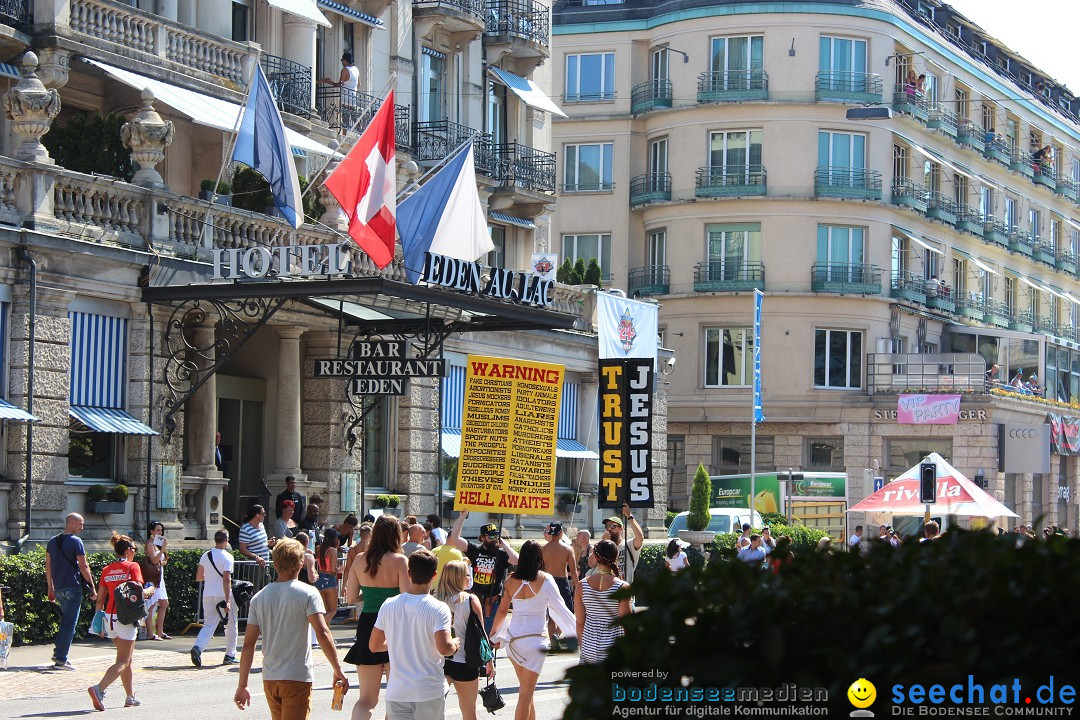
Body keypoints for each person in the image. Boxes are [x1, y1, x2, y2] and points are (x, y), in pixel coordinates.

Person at [234, 539, 350, 720]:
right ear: (301, 563)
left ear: (276, 563)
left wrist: (243, 685)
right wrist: (337, 669)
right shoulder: (308, 593)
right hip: (297, 675)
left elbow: (248, 645)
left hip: (270, 676)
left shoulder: (259, 597)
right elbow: (322, 633)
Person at [490, 540, 576, 720]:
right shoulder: (545, 579)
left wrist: (493, 634)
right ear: (539, 558)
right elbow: (560, 608)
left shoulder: (511, 580)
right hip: (536, 641)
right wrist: (577, 631)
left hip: (513, 642)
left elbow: (503, 610)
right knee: (525, 694)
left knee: (527, 692)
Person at [370, 550, 458, 720]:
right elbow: (444, 648)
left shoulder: (389, 604)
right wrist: (454, 644)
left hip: (397, 691)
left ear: (409, 574)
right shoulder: (439, 608)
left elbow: (374, 645)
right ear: (434, 575)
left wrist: (399, 642)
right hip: (428, 690)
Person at [343, 515, 409, 720]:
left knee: (366, 699)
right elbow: (406, 598)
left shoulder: (361, 559)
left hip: (368, 623)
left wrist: (371, 593)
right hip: (394, 624)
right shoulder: (400, 560)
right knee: (395, 696)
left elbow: (351, 597)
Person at [88, 534, 154, 711]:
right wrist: (151, 589)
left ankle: (130, 696)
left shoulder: (107, 569)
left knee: (125, 659)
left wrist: (98, 623)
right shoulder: (133, 566)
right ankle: (99, 689)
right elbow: (139, 591)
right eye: (133, 548)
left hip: (110, 617)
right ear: (127, 550)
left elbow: (100, 600)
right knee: (124, 660)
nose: (134, 551)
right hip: (126, 617)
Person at [436, 560, 493, 720]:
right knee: (469, 712)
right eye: (466, 574)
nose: (469, 577)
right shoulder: (470, 600)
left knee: (434, 709)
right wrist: (489, 661)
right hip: (465, 662)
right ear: (458, 577)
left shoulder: (435, 600)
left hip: (439, 661)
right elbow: (481, 634)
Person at [448, 510, 519, 634]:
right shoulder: (475, 550)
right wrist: (462, 516)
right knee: (474, 634)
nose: (494, 539)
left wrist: (505, 546)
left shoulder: (501, 554)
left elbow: (517, 560)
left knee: (490, 635)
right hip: (476, 600)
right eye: (491, 536)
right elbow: (454, 538)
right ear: (482, 537)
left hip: (493, 603)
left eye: (496, 536)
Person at [46, 513, 97, 671]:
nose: (82, 527)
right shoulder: (76, 541)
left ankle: (58, 653)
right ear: (72, 523)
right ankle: (61, 659)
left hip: (59, 587)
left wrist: (50, 587)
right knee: (70, 623)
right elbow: (83, 566)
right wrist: (92, 587)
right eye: (80, 524)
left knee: (66, 621)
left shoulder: (53, 541)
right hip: (72, 586)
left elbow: (48, 565)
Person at [575, 539, 629, 664]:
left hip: (588, 646)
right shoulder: (622, 587)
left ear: (595, 556)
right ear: (615, 556)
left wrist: (584, 648)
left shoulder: (581, 585)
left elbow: (579, 623)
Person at [191, 529, 239, 667]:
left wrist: (211, 578)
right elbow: (226, 579)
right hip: (222, 594)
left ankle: (198, 648)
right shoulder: (228, 557)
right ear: (226, 540)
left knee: (209, 624)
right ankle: (230, 654)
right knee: (231, 624)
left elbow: (199, 577)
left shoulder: (205, 555)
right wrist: (228, 600)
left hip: (208, 593)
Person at [541, 522, 578, 649]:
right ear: (561, 533)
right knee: (568, 611)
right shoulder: (567, 549)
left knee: (551, 614)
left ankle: (553, 642)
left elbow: (539, 569)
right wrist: (578, 587)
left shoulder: (543, 549)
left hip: (547, 582)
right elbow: (573, 572)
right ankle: (557, 634)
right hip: (562, 582)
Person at [590, 504, 643, 582]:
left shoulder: (628, 545)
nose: (609, 529)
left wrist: (630, 517)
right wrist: (602, 541)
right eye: (607, 526)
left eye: (613, 526)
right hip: (605, 590)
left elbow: (640, 538)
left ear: (621, 529)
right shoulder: (602, 547)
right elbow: (591, 563)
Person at [144, 522, 170, 640]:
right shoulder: (150, 544)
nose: (160, 532)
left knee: (164, 603)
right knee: (152, 604)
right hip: (153, 577)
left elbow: (160, 560)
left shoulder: (157, 544)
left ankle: (160, 631)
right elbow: (153, 560)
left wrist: (163, 555)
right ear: (151, 531)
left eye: (161, 530)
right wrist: (162, 550)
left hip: (160, 576)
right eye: (158, 530)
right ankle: (150, 632)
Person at [314, 528, 341, 628]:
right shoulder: (332, 551)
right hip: (329, 579)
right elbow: (333, 569)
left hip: (319, 578)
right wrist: (340, 569)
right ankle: (316, 627)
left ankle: (326, 634)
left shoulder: (318, 548)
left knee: (325, 611)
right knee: (333, 611)